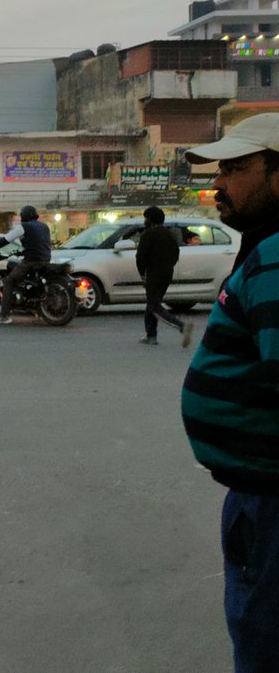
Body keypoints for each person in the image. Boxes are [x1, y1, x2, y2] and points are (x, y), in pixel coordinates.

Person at [180, 114, 279, 671]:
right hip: (259, 494)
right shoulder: (264, 248)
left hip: (272, 505)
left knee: (265, 643)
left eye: (236, 169)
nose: (218, 183)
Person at [135, 206, 194, 347]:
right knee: (152, 303)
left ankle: (181, 326)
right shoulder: (169, 235)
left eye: (145, 218)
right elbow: (176, 253)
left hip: (153, 274)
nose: (144, 221)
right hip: (167, 273)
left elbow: (141, 258)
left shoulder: (148, 235)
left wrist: (143, 274)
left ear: (149, 219)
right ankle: (151, 336)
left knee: (154, 306)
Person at [0, 205, 51, 325]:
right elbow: (39, 244)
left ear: (24, 216)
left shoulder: (24, 227)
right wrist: (23, 251)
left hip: (31, 261)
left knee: (9, 281)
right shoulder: (44, 226)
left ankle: (4, 315)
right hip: (46, 260)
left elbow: (7, 239)